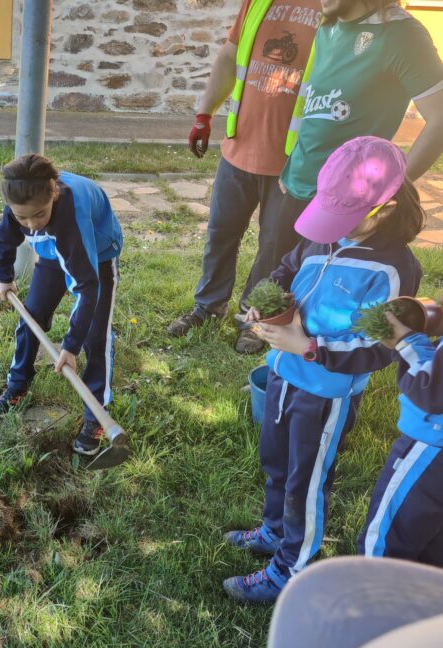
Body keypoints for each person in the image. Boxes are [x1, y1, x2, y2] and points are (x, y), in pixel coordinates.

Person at [221, 137, 424, 603]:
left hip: (325, 391)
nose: (334, 229)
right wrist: (263, 304)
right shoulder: (323, 235)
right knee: (275, 462)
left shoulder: (393, 270)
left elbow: (380, 347)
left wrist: (310, 348)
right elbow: (287, 269)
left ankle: (290, 570)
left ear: (385, 209)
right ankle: (273, 532)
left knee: (305, 481)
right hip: (283, 374)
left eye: (346, 217)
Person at [167, 0, 321, 354]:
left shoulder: (332, 8)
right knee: (221, 233)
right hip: (240, 148)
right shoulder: (257, 2)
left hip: (292, 160)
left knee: (275, 247)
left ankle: (257, 317)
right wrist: (204, 113)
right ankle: (208, 307)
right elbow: (229, 55)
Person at [271, 0, 443, 263]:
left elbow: (440, 121)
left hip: (346, 208)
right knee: (268, 290)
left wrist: (388, 191)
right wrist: (293, 166)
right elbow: (317, 110)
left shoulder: (402, 34)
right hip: (297, 189)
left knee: (321, 299)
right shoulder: (327, 26)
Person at [0, 154, 123, 456]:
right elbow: (4, 239)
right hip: (52, 252)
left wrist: (70, 346)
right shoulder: (19, 206)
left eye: (39, 214)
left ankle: (95, 414)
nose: (32, 225)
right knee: (31, 319)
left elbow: (88, 289)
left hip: (98, 253)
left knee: (96, 335)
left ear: (54, 195)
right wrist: (4, 277)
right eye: (23, 217)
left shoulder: (70, 217)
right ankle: (18, 385)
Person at [358, 303, 443, 566]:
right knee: (433, 547)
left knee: (386, 542)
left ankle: (374, 604)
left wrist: (406, 341)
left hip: (431, 449)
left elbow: (431, 390)